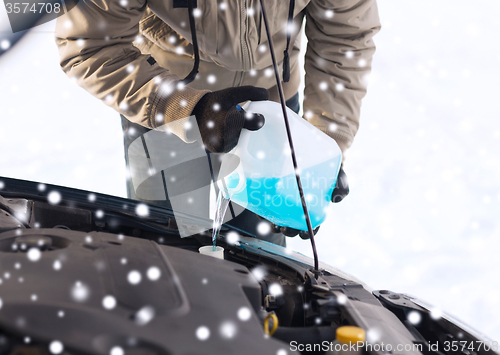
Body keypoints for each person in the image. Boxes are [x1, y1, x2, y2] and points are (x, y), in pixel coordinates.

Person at [55, 0, 380, 245]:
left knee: (263, 268)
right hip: (163, 108)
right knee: (163, 258)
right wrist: (184, 108)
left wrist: (322, 147)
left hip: (273, 117)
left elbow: (346, 39)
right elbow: (90, 45)